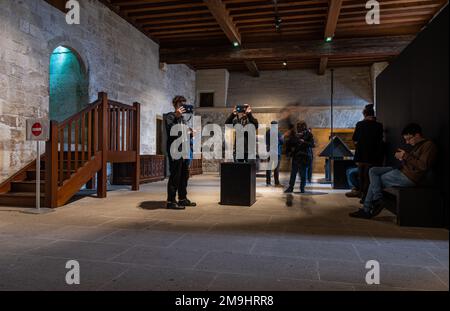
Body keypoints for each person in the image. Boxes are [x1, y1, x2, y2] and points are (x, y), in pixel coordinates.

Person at [350, 123, 437, 219]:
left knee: (376, 180)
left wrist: (405, 156)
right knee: (373, 170)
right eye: (406, 140)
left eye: (409, 139)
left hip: (408, 177)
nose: (407, 142)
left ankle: (368, 208)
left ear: (417, 135)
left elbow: (423, 166)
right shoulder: (418, 145)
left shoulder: (429, 145)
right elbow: (413, 162)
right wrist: (402, 158)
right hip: (402, 170)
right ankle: (377, 200)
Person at [165, 96, 197, 210]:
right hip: (175, 150)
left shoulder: (183, 119)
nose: (182, 106)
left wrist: (191, 133)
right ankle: (171, 201)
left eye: (184, 104)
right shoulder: (170, 116)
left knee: (184, 175)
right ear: (175, 104)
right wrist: (176, 117)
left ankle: (182, 199)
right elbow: (171, 131)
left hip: (184, 150)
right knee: (175, 176)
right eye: (180, 104)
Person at [352, 104, 384, 201]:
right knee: (368, 177)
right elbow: (379, 140)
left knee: (361, 176)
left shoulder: (360, 124)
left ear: (365, 114)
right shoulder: (379, 125)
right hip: (373, 155)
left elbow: (354, 138)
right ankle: (366, 197)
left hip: (361, 154)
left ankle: (362, 194)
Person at [284, 121, 315, 193]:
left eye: (300, 127)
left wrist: (303, 141)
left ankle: (302, 188)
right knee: (293, 173)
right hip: (296, 156)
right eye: (298, 127)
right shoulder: (295, 135)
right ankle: (291, 187)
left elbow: (312, 144)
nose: (299, 128)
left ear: (304, 127)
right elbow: (290, 144)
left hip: (304, 157)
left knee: (303, 175)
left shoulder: (309, 134)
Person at [265, 121, 284, 186]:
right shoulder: (278, 133)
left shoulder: (267, 132)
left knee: (269, 167)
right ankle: (276, 182)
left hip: (270, 152)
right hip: (277, 152)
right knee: (276, 168)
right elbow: (282, 142)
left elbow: (265, 141)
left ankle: (268, 182)